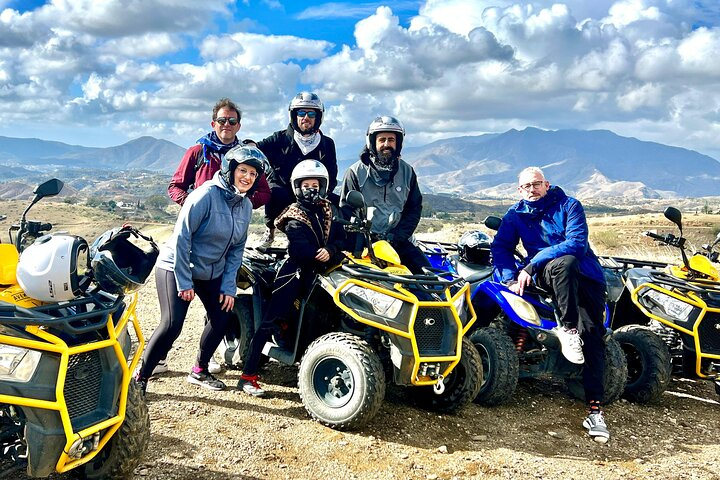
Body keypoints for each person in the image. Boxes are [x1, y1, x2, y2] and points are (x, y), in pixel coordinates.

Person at [490, 166, 610, 443]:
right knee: (560, 266)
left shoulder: (569, 206)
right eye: (525, 186)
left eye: (536, 184)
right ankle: (568, 329)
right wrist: (509, 278)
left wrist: (531, 264)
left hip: (585, 277)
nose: (531, 190)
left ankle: (595, 410)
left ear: (547, 184)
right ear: (519, 190)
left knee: (593, 336)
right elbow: (501, 248)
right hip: (550, 276)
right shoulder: (515, 214)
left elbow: (577, 244)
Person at [135, 145, 267, 394]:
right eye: (243, 170)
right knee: (172, 324)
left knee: (222, 315)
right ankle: (141, 378)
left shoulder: (245, 206)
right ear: (230, 170)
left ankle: (199, 370)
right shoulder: (205, 195)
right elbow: (182, 238)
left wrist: (229, 287)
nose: (248, 177)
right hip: (176, 265)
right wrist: (184, 282)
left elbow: (236, 250)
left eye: (253, 174)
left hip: (210, 270)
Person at [161, 98, 270, 376]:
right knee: (175, 315)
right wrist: (191, 204)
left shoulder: (247, 156)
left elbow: (264, 192)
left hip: (222, 243)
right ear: (214, 123)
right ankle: (159, 359)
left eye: (232, 121)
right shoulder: (198, 150)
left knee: (217, 306)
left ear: (239, 125)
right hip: (193, 237)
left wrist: (238, 207)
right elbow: (175, 185)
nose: (227, 125)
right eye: (222, 120)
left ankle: (204, 360)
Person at [238, 160, 347, 397]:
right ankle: (248, 375)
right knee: (270, 319)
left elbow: (342, 239)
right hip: (296, 271)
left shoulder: (329, 210)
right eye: (306, 184)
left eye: (315, 184)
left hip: (326, 270)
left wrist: (332, 250)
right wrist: (326, 253)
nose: (311, 188)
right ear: (297, 187)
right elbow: (301, 251)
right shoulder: (294, 215)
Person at [339, 115, 431, 274]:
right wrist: (363, 238)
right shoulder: (355, 172)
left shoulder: (407, 172)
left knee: (429, 277)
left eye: (391, 140)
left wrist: (396, 237)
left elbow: (413, 209)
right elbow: (346, 211)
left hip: (397, 241)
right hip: (364, 243)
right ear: (372, 142)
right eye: (382, 140)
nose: (386, 144)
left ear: (398, 143)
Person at [253, 92, 339, 249]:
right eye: (301, 112)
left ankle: (329, 240)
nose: (305, 117)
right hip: (283, 189)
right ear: (294, 115)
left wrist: (324, 194)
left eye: (311, 113)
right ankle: (270, 230)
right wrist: (248, 145)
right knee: (274, 192)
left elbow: (332, 174)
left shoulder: (327, 144)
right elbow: (257, 149)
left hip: (312, 190)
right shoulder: (280, 138)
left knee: (336, 202)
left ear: (318, 117)